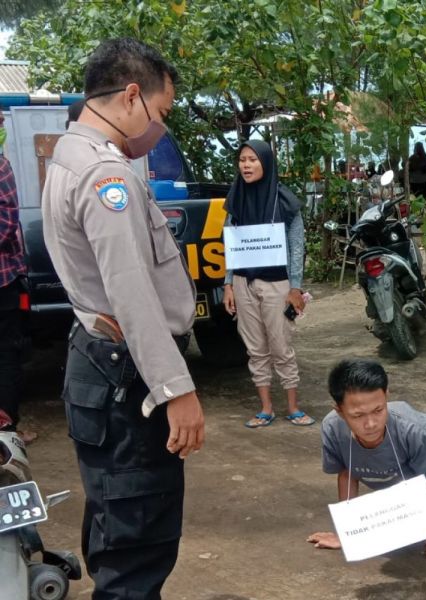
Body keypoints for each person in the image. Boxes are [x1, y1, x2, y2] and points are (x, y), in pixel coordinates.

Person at [41, 38, 205, 598]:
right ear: (131, 96)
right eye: (161, 113)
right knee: (137, 547)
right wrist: (174, 388)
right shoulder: (104, 177)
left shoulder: (68, 156)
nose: (160, 128)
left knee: (117, 530)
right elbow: (131, 292)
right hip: (128, 379)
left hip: (100, 366)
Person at [306, 358, 426, 567]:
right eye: (358, 415)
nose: (370, 424)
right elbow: (346, 472)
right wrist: (345, 533)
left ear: (386, 397)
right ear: (339, 411)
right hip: (422, 429)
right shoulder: (332, 428)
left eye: (378, 410)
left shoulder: (413, 431)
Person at [222, 140, 314, 428]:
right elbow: (230, 243)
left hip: (278, 285)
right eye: (242, 160)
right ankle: (265, 408)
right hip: (243, 283)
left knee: (281, 346)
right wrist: (228, 284)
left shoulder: (286, 201)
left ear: (266, 162)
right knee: (255, 348)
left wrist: (295, 287)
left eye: (252, 159)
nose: (246, 165)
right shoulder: (235, 200)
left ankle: (294, 408)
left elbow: (297, 246)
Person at [0, 108, 34, 444]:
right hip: (4, 281)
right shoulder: (1, 167)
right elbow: (7, 222)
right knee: (7, 355)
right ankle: (6, 433)